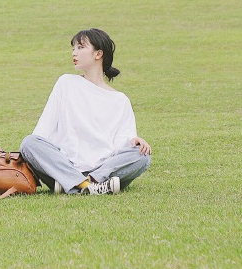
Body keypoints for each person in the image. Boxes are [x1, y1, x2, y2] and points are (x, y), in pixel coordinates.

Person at [20, 28, 151, 195]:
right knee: (29, 143)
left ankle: (83, 184)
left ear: (98, 54)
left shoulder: (120, 100)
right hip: (65, 164)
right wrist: (40, 153)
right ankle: (89, 186)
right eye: (73, 48)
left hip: (102, 169)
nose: (74, 53)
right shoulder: (66, 83)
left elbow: (122, 141)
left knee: (142, 156)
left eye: (81, 47)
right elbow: (44, 129)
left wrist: (134, 140)